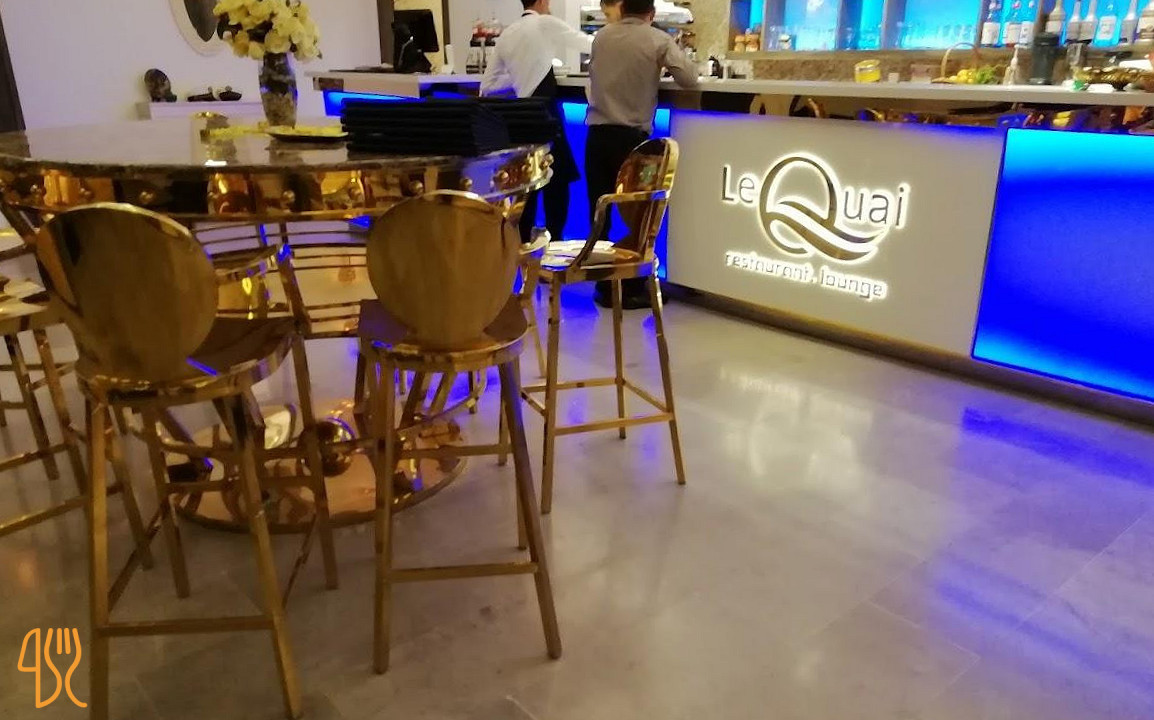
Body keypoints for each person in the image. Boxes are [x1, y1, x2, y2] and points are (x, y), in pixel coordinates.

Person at [586, 0, 698, 309]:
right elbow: (689, 79)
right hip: (632, 143)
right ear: (651, 13)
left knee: (601, 213)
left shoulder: (601, 37)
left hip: (596, 137)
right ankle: (631, 286)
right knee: (638, 217)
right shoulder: (658, 39)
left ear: (622, 9)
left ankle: (603, 285)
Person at [481, 0, 593, 245]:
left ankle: (521, 246)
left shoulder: (507, 33)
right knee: (558, 177)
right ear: (542, 1)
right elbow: (592, 44)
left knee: (526, 182)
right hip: (544, 113)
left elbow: (487, 87)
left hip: (518, 118)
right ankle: (556, 243)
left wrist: (519, 79)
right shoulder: (544, 23)